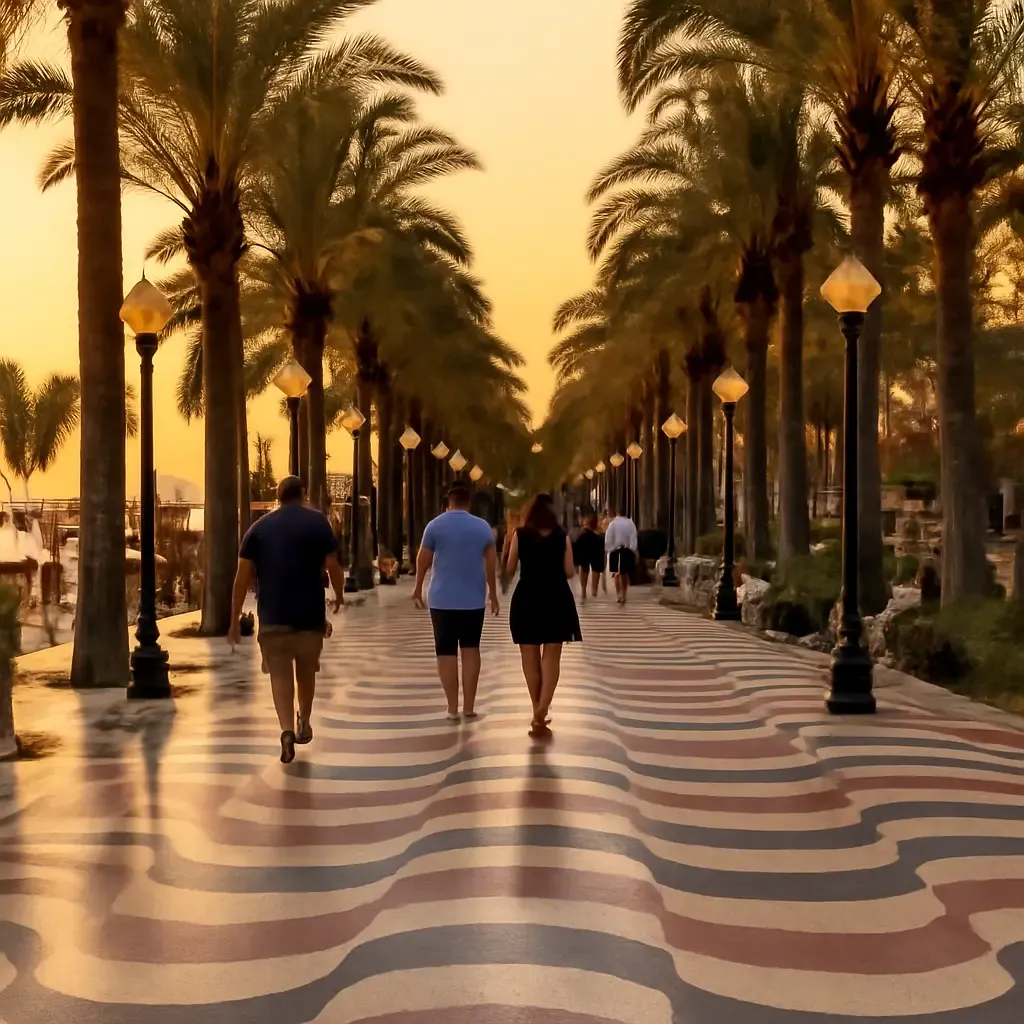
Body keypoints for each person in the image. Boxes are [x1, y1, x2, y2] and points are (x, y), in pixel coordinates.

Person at [228, 476, 346, 764]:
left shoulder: (258, 529)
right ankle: (304, 719)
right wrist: (340, 595)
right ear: (303, 494)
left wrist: (233, 620)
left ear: (278, 497)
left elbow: (241, 578)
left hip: (272, 617)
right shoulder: (319, 523)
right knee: (306, 672)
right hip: (309, 617)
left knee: (280, 676)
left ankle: (286, 731)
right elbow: (333, 566)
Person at [413, 484, 499, 721]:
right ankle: (469, 706)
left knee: (446, 651)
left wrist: (418, 586)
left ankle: (452, 707)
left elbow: (423, 559)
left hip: (441, 600)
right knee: (471, 649)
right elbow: (491, 564)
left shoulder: (435, 525)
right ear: (468, 503)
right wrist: (492, 593)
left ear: (448, 502)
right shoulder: (482, 527)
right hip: (473, 600)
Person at [507, 493, 582, 738]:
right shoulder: (562, 536)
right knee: (552, 656)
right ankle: (542, 708)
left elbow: (509, 568)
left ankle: (536, 709)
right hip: (557, 598)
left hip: (527, 598)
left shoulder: (521, 535)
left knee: (529, 657)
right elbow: (570, 572)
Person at [605, 505, 638, 605]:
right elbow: (633, 537)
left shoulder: (613, 524)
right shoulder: (630, 523)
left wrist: (609, 549)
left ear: (617, 513)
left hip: (615, 550)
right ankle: (624, 593)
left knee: (616, 573)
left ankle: (618, 593)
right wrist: (633, 548)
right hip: (627, 550)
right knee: (624, 573)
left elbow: (608, 538)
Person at [572, 512, 605, 603]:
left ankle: (583, 591)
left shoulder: (584, 524)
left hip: (585, 541)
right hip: (596, 541)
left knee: (584, 566)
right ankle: (594, 590)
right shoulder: (597, 521)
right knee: (596, 567)